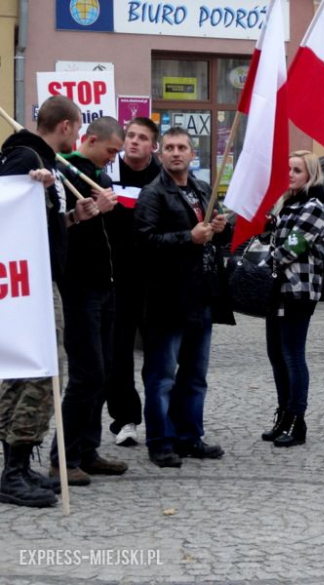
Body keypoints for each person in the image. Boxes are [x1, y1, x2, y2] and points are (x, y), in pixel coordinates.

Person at [0, 95, 99, 507]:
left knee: (30, 371)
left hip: (42, 279)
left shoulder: (44, 163)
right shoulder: (23, 158)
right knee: (37, 371)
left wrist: (76, 217)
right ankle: (12, 470)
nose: (76, 136)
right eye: (76, 128)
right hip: (29, 285)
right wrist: (34, 186)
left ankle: (18, 466)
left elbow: (43, 228)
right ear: (64, 126)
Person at [134, 127, 234, 468]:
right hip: (166, 299)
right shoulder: (153, 194)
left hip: (201, 295)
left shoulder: (203, 190)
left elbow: (219, 239)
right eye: (170, 148)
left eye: (183, 148)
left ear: (193, 155)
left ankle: (190, 436)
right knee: (162, 376)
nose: (177, 153)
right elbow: (144, 244)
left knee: (195, 375)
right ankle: (161, 441)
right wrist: (187, 238)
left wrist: (222, 228)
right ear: (161, 154)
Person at [49, 116, 128, 486]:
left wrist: (109, 211)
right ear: (91, 139)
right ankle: (61, 457)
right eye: (110, 150)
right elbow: (64, 231)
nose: (112, 158)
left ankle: (87, 450)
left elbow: (109, 233)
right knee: (87, 375)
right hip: (79, 287)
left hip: (105, 285)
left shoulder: (102, 177)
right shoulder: (69, 172)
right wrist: (88, 213)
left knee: (104, 372)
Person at [260, 151, 324, 448]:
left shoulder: (313, 206)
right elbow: (271, 239)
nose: (290, 174)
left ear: (310, 174)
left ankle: (297, 420)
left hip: (298, 289)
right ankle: (283, 414)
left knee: (293, 356)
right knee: (276, 356)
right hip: (276, 289)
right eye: (288, 168)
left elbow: (294, 245)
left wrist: (265, 261)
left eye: (296, 170)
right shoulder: (285, 204)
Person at [105, 117, 161, 447]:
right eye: (130, 136)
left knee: (157, 355)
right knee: (118, 354)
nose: (134, 142)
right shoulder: (106, 176)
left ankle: (159, 416)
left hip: (154, 282)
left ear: (153, 146)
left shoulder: (162, 178)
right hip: (117, 280)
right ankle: (126, 419)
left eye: (142, 137)